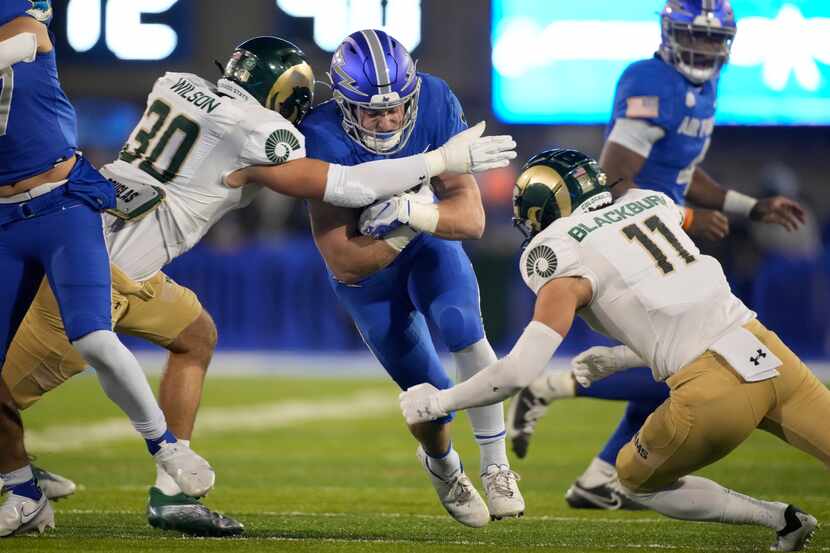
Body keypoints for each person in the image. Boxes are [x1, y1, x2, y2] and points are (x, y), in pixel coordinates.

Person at [1, 35, 516, 536]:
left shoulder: (175, 85)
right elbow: (345, 188)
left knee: (194, 335)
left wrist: (414, 204)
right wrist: (437, 165)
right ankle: (18, 479)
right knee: (5, 397)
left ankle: (171, 495)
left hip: (111, 249)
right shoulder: (266, 134)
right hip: (102, 274)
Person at [401, 148, 823, 552]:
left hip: (712, 391)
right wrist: (621, 356)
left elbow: (516, 374)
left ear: (543, 212)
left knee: (633, 479)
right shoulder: (649, 201)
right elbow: (678, 303)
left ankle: (781, 518)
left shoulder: (556, 250)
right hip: (767, 351)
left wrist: (438, 402)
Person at [505, 0, 805, 510]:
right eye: (696, 36)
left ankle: (599, 474)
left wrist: (750, 207)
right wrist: (684, 218)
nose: (706, 48)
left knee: (682, 365)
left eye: (714, 39)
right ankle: (551, 388)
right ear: (669, 33)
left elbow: (686, 173)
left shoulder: (702, 88)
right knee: (690, 359)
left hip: (664, 229)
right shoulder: (649, 80)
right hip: (638, 240)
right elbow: (614, 179)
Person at [0, 0, 215, 536]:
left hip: (62, 205)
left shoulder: (20, 21)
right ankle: (23, 490)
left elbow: (28, 40)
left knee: (94, 337)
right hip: (3, 222)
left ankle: (165, 447)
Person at [299, 29, 524, 528]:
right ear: (343, 105)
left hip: (427, 244)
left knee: (462, 323)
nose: (387, 119)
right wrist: (408, 219)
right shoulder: (320, 135)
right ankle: (444, 467)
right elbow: (344, 260)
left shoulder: (436, 100)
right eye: (372, 111)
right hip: (368, 278)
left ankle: (497, 466)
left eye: (396, 107)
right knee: (428, 398)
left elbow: (471, 220)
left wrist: (410, 214)